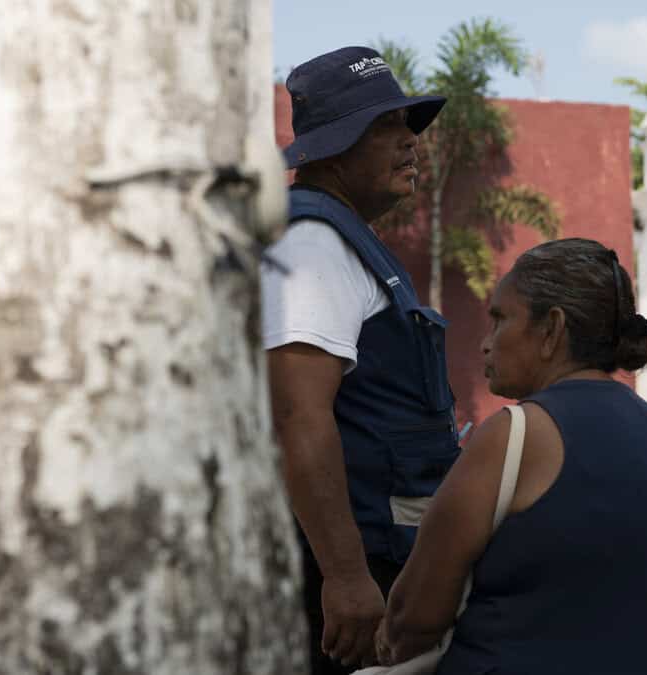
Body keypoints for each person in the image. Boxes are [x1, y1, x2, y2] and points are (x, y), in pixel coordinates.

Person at [372, 238, 647, 675]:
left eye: (500, 319)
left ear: (551, 330)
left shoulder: (516, 434)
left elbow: (412, 617)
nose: (486, 343)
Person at [261, 46, 455, 674]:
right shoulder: (314, 242)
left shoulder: (343, 237)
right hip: (346, 564)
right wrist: (344, 576)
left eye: (409, 127)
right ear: (334, 149)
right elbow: (297, 415)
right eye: (385, 129)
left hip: (382, 549)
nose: (410, 144)